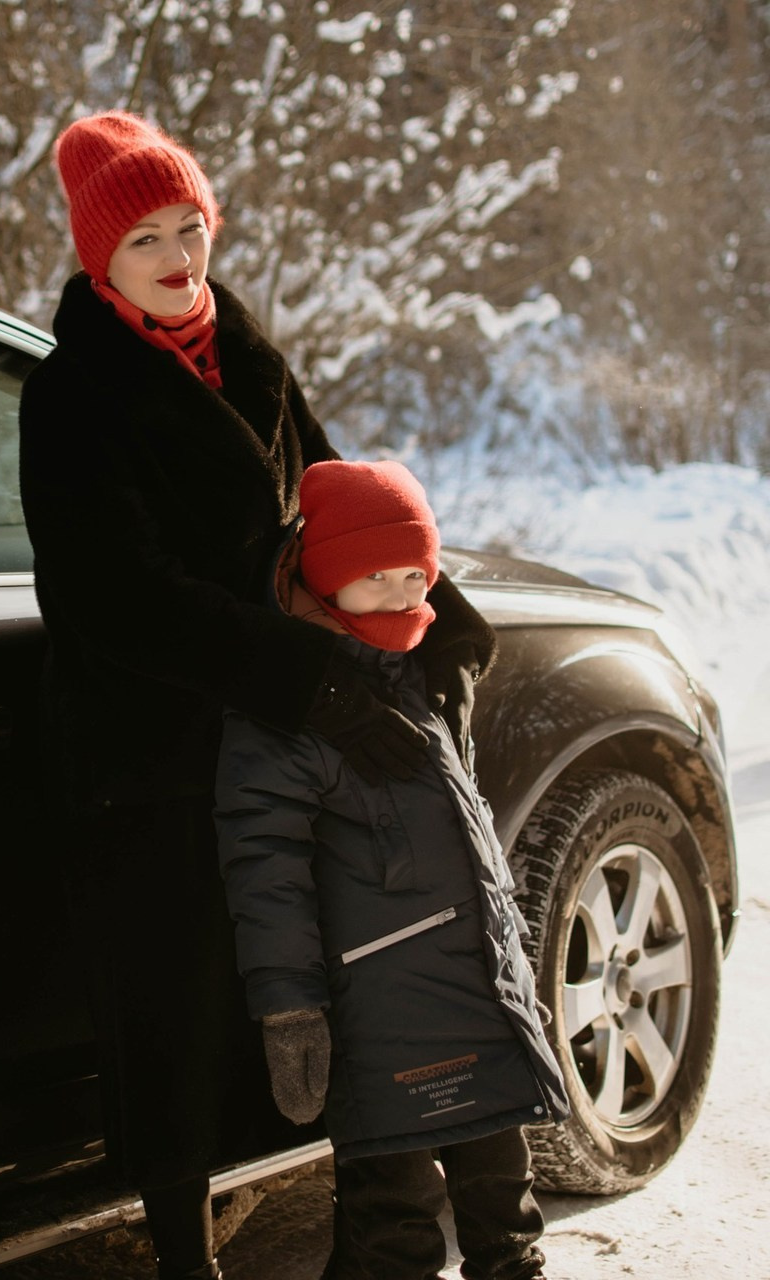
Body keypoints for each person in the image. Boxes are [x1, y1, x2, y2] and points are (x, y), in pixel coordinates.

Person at [18, 111, 497, 1280]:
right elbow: (115, 596)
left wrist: (439, 619)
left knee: (332, 993)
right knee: (178, 1022)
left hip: (278, 734)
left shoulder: (248, 356)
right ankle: (187, 1256)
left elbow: (332, 510)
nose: (181, 259)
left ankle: (371, 1242)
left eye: (191, 228)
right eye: (147, 241)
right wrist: (305, 676)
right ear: (99, 258)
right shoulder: (70, 395)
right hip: (155, 747)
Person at [214, 459, 570, 1280]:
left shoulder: (422, 673)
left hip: (481, 996)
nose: (407, 600)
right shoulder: (287, 712)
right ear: (327, 580)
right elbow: (264, 869)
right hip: (381, 1018)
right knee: (391, 1220)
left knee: (504, 1202)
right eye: (379, 580)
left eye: (419, 577)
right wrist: (289, 1008)